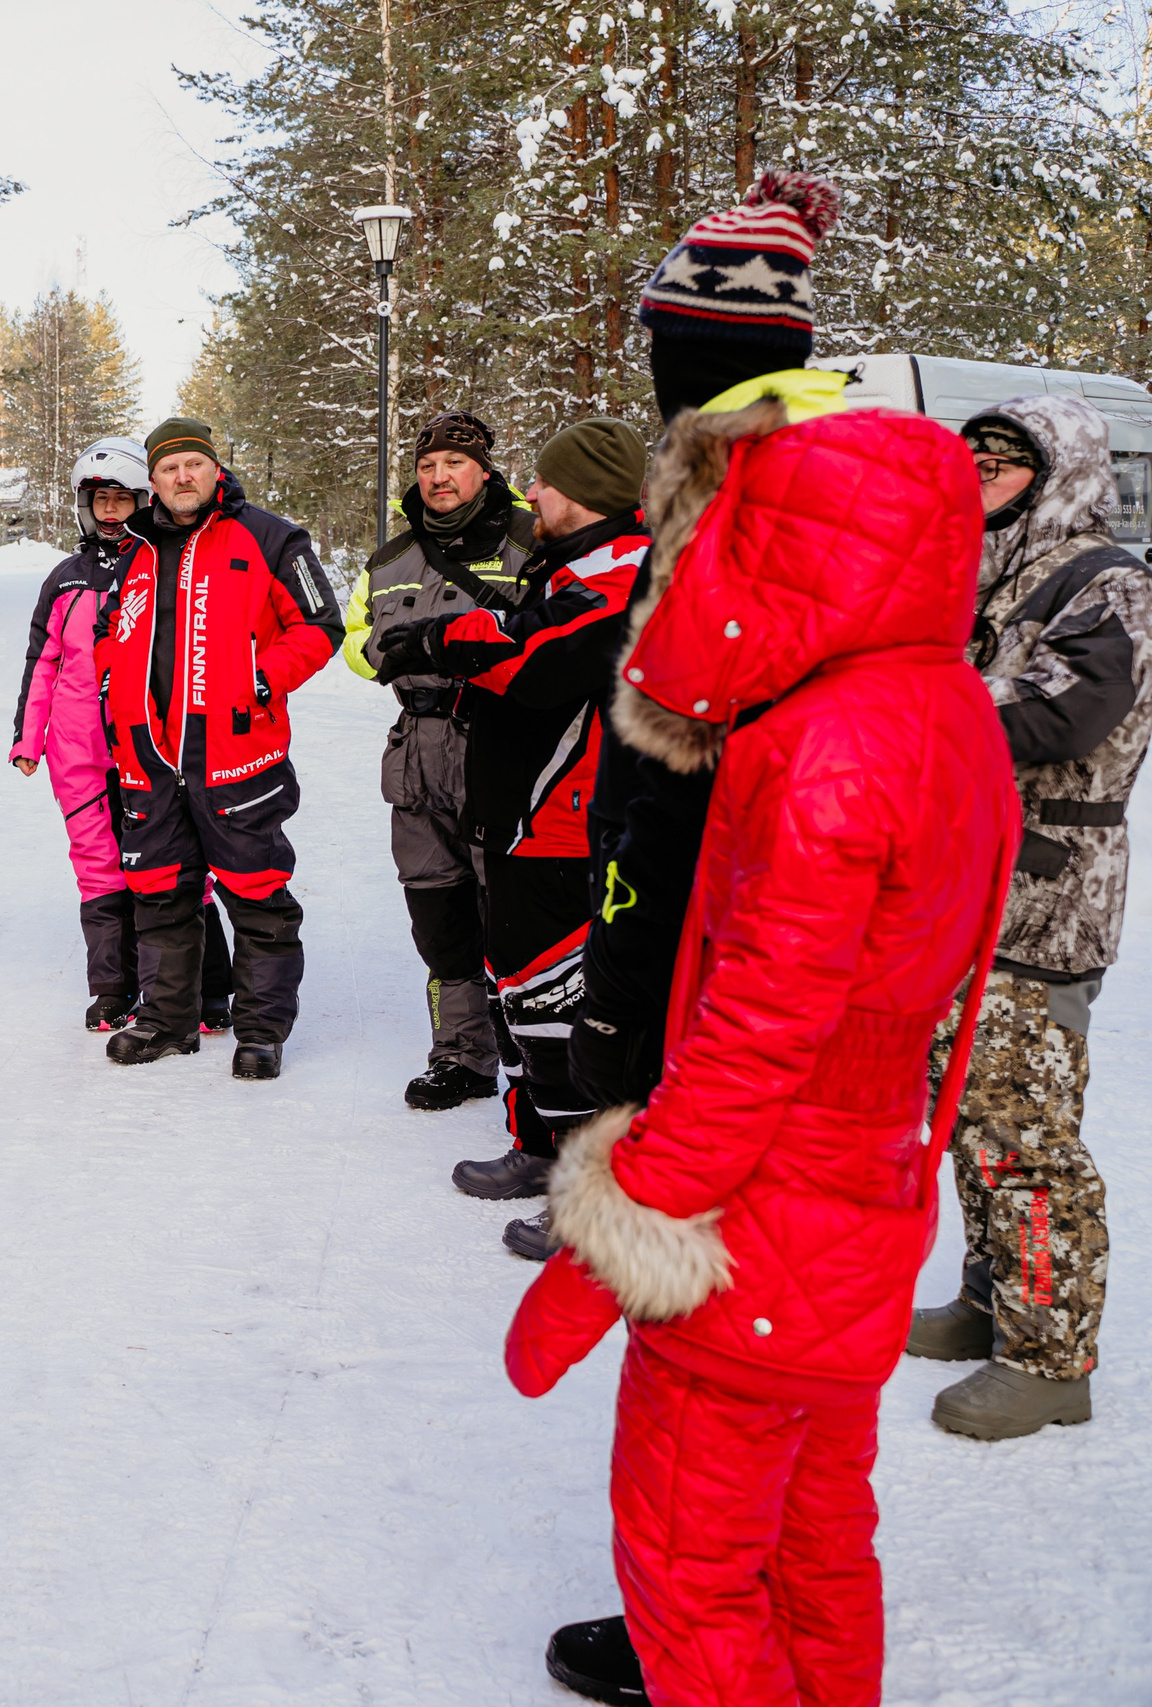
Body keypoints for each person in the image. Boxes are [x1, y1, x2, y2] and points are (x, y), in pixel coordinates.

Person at [504, 388, 1019, 1707]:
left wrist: (600, 1253)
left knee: (692, 1570)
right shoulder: (941, 703)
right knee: (815, 1540)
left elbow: (756, 1040)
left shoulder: (825, 746)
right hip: (861, 1198)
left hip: (763, 1221)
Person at [536, 165, 849, 1707]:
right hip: (750, 951)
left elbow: (704, 768)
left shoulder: (755, 494)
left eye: (666, 346)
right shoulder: (789, 478)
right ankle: (770, 1634)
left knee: (713, 1344)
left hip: (735, 965)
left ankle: (702, 1644)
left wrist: (629, 1000)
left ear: (696, 354)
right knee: (784, 1364)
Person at [903, 395, 1152, 1440]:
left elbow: (1065, 711)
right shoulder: (986, 575)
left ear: (1059, 475)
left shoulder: (1106, 579)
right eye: (970, 464)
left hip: (1049, 891)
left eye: (1003, 465)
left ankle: (1052, 1356)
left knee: (1024, 1131)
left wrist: (916, 705)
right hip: (967, 880)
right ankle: (989, 1297)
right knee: (966, 1111)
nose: (980, 481)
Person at [378, 419, 650, 1258]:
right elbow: (516, 628)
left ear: (588, 492)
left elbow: (538, 659)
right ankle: (539, 1145)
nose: (534, 494)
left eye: (548, 483)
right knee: (523, 996)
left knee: (569, 1012)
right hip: (520, 819)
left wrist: (441, 639)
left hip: (566, 821)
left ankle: (590, 1196)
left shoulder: (625, 569)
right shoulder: (569, 560)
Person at [93, 416, 343, 1080]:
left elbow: (321, 624)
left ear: (214, 468)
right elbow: (108, 633)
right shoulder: (134, 548)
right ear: (152, 481)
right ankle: (167, 1021)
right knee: (160, 895)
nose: (183, 477)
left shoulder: (270, 536)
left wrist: (261, 678)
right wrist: (114, 687)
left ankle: (261, 1030)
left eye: (193, 464)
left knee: (257, 897)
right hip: (150, 760)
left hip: (236, 757)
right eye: (169, 468)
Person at [343, 410, 534, 1109]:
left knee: (514, 910)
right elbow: (355, 637)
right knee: (438, 913)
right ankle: (461, 1054)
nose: (438, 476)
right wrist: (382, 653)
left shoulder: (530, 541)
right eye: (427, 466)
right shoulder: (390, 558)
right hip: (416, 752)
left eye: (454, 463)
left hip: (500, 744)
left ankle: (533, 1050)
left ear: (483, 470)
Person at [12, 437, 154, 1029]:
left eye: (122, 498)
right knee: (98, 865)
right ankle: (112, 988)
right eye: (101, 500)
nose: (111, 510)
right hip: (77, 749)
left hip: (148, 744)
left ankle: (191, 984)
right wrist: (28, 738)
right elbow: (42, 661)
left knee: (164, 861)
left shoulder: (160, 568)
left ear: (143, 502)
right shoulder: (65, 579)